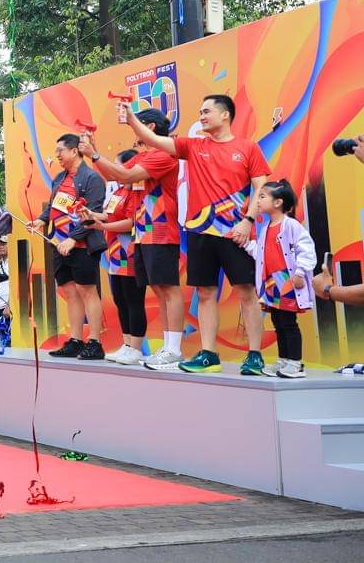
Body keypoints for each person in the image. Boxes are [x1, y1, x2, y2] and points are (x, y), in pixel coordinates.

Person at [127, 94, 270, 374]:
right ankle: (208, 354)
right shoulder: (193, 146)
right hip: (200, 231)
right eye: (200, 112)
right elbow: (156, 141)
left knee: (246, 291)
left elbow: (261, 187)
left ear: (225, 114)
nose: (202, 116)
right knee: (205, 293)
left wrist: (248, 221)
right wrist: (132, 119)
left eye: (206, 112)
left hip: (234, 232)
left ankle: (255, 355)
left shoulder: (247, 148)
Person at [80, 107, 185, 370]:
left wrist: (94, 154)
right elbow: (115, 174)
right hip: (143, 235)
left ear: (149, 127)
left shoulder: (163, 155)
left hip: (161, 232)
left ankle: (174, 349)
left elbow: (124, 175)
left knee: (169, 290)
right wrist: (95, 152)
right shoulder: (145, 157)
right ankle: (166, 346)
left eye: (138, 134)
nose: (135, 142)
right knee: (159, 290)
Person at [32, 133, 108, 360]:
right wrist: (41, 220)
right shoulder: (59, 178)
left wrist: (73, 239)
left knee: (87, 291)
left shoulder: (91, 179)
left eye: (60, 151)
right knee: (70, 292)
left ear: (74, 151)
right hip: (59, 244)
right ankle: (75, 340)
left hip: (81, 245)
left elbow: (92, 213)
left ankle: (95, 341)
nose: (57, 156)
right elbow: (54, 206)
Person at [80, 149, 147, 365]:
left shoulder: (138, 192)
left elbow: (131, 222)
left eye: (119, 166)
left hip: (131, 252)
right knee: (120, 299)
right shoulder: (118, 193)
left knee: (133, 299)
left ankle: (136, 348)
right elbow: (108, 215)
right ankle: (127, 344)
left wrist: (103, 225)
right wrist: (90, 215)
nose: (115, 171)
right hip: (114, 253)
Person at [246, 181, 316, 378]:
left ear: (278, 202)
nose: (258, 201)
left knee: (288, 322)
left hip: (287, 281)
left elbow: (306, 248)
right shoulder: (266, 227)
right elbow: (260, 252)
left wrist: (301, 272)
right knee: (278, 321)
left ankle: (296, 363)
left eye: (262, 197)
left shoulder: (290, 225)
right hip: (271, 283)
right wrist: (245, 244)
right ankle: (284, 360)